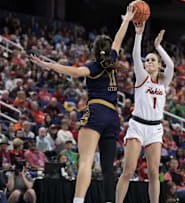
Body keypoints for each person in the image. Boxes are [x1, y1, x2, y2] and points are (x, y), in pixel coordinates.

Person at [31, 4, 135, 203]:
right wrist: (126, 20)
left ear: (94, 51)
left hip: (96, 111)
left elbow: (75, 72)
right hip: (114, 117)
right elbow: (118, 40)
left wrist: (48, 65)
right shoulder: (112, 59)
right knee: (107, 167)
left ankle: (78, 201)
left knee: (86, 160)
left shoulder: (93, 66)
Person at [116, 19, 174, 203]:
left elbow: (171, 66)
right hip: (137, 126)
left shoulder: (164, 82)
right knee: (129, 170)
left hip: (155, 129)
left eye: (152, 60)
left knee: (154, 172)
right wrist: (139, 34)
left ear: (158, 65)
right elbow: (135, 55)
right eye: (147, 60)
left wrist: (158, 46)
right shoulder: (142, 78)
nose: (148, 62)